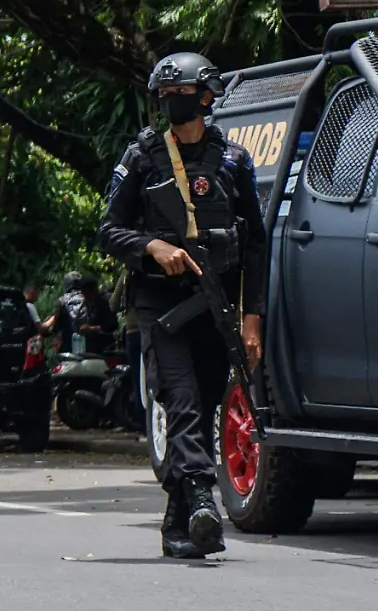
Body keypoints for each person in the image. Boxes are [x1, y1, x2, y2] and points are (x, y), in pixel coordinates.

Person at [99, 52, 266, 559]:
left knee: (209, 403)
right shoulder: (142, 158)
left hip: (215, 306)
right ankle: (201, 501)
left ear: (207, 98)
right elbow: (109, 229)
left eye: (183, 95)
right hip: (160, 308)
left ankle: (178, 526)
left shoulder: (234, 162)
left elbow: (256, 244)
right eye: (166, 96)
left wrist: (252, 318)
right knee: (184, 403)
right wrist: (152, 247)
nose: (173, 103)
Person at [49, 271, 118, 355]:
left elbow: (112, 325)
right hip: (97, 349)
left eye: (84, 293)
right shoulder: (98, 300)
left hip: (84, 349)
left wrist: (91, 329)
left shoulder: (62, 301)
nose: (83, 296)